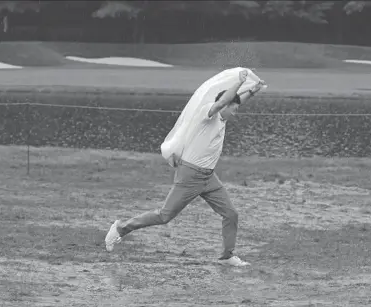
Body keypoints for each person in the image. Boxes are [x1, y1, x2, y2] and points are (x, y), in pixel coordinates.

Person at [105, 70, 265, 266]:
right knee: (164, 215)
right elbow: (223, 103)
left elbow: (232, 103)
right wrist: (239, 83)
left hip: (208, 177)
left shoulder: (222, 118)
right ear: (225, 105)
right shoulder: (207, 113)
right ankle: (121, 228)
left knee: (231, 214)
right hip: (190, 175)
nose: (235, 113)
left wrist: (253, 91)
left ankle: (227, 256)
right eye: (234, 109)